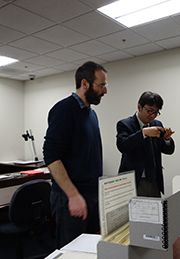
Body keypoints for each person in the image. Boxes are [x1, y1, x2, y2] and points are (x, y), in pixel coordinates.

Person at [43, 61, 108, 248]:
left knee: (91, 248)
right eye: (101, 85)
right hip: (70, 197)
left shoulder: (91, 114)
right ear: (85, 84)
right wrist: (73, 196)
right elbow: (51, 156)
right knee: (72, 251)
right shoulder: (64, 109)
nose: (105, 91)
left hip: (91, 195)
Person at [116, 91, 175, 198]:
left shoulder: (157, 124)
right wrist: (143, 133)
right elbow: (123, 145)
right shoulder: (125, 124)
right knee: (134, 213)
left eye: (156, 112)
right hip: (133, 181)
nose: (153, 115)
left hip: (154, 179)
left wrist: (167, 139)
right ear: (139, 107)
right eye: (150, 111)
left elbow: (168, 150)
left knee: (155, 212)